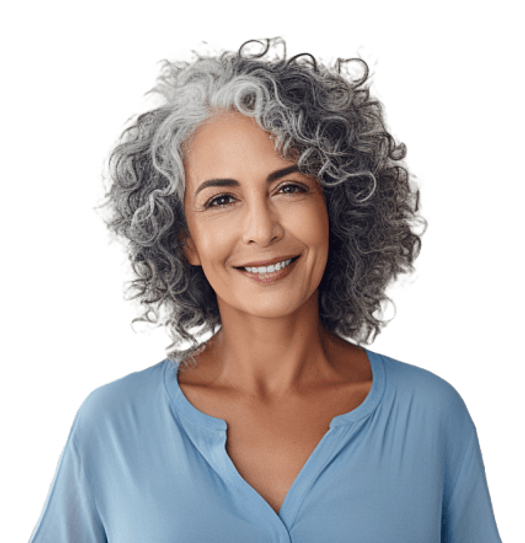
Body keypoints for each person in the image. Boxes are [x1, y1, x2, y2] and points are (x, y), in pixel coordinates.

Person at [28, 36, 503, 542]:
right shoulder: (112, 427)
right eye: (221, 200)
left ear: (335, 209)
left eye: (289, 188)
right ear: (183, 238)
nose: (261, 229)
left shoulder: (430, 416)